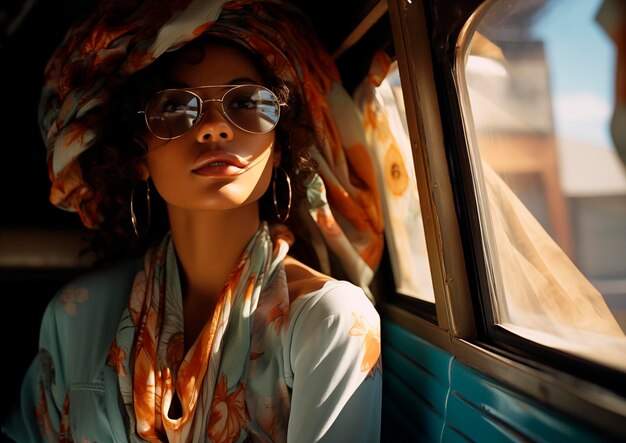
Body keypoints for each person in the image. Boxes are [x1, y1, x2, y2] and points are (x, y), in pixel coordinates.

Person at [1, 0, 383, 441]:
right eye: (176, 107)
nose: (215, 128)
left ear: (277, 147)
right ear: (137, 153)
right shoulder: (75, 316)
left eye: (246, 102)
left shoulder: (328, 324)